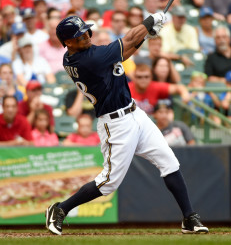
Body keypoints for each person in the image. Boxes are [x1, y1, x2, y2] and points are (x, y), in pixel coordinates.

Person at [45, 13, 208, 235]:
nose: (85, 35)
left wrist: (147, 35)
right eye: (79, 35)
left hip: (135, 114)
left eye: (85, 31)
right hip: (115, 124)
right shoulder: (87, 59)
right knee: (109, 182)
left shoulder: (85, 53)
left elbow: (125, 52)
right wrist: (149, 22)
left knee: (169, 161)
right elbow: (128, 41)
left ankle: (189, 217)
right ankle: (60, 209)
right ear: (68, 42)